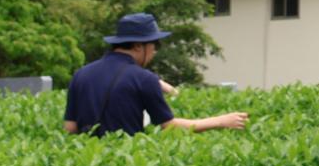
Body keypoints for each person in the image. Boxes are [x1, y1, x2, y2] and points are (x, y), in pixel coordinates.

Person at [63, 13, 249, 136]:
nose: (155, 51)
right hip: (123, 161)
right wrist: (220, 121)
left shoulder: (81, 74)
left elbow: (70, 128)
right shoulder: (144, 79)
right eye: (154, 45)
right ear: (138, 46)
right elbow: (169, 126)